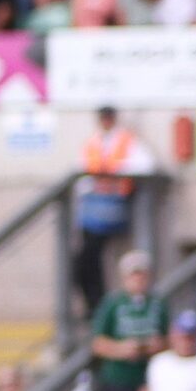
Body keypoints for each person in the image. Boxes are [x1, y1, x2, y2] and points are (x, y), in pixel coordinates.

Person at [73, 108, 153, 317]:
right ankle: (95, 304)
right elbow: (81, 177)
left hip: (117, 207)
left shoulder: (126, 141)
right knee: (86, 259)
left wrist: (113, 175)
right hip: (94, 209)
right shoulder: (93, 143)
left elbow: (146, 165)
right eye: (103, 118)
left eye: (108, 117)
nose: (106, 121)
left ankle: (98, 305)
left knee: (91, 255)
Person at [89, 251, 167, 391]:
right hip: (118, 377)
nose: (138, 279)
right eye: (134, 274)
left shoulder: (157, 304)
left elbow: (169, 339)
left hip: (148, 377)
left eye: (142, 274)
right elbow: (97, 343)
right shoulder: (113, 304)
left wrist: (154, 346)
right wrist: (122, 349)